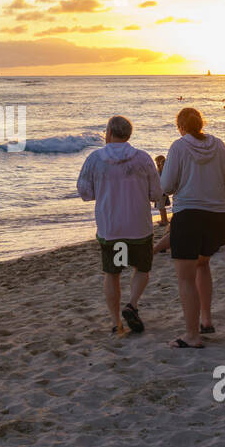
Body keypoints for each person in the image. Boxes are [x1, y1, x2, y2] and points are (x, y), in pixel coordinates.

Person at [77, 116, 163, 336]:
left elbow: (85, 193)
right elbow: (156, 193)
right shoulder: (143, 159)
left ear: (108, 132)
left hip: (112, 228)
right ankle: (132, 304)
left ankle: (117, 322)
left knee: (113, 273)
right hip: (139, 228)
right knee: (141, 269)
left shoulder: (96, 159)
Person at [157, 107, 225, 349]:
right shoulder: (219, 144)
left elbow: (167, 186)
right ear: (201, 124)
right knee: (203, 265)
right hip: (217, 217)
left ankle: (192, 335)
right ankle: (206, 320)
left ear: (180, 126)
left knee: (185, 278)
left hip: (189, 215)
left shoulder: (179, 147)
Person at [153, 155, 170, 226]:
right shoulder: (162, 169)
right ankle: (164, 220)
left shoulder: (162, 169)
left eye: (157, 161)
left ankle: (164, 221)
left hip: (161, 191)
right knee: (161, 207)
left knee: (161, 207)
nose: (156, 163)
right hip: (162, 191)